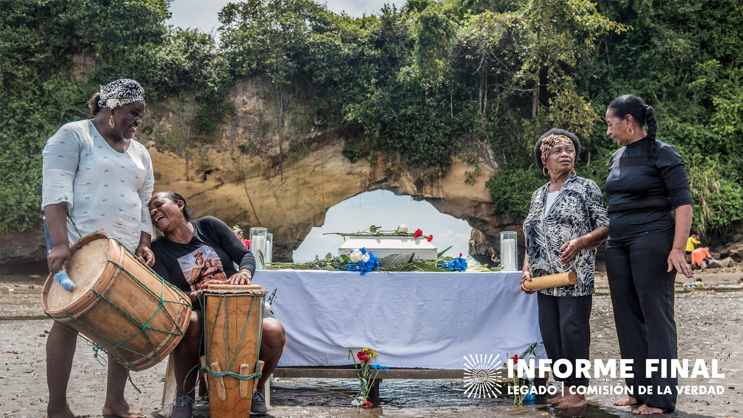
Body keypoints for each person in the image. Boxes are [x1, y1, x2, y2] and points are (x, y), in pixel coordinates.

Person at [42, 79, 153, 418]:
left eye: (141, 116)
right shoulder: (74, 135)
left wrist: (145, 243)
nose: (137, 121)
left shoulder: (140, 152)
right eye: (133, 113)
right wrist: (59, 244)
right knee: (68, 321)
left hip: (124, 252)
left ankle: (114, 403)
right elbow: (56, 190)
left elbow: (144, 202)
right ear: (113, 107)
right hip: (82, 245)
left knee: (122, 322)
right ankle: (57, 407)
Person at [148, 191, 286, 417]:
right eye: (150, 210)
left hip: (240, 307)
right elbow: (166, 294)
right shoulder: (158, 250)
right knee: (191, 321)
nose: (153, 212)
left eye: (158, 204)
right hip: (201, 316)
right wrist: (194, 295)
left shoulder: (209, 226)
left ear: (180, 204)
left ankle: (254, 390)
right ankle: (184, 397)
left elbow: (245, 256)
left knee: (274, 331)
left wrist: (243, 273)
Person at [604, 95, 693, 414]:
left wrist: (678, 248)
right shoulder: (616, 157)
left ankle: (661, 399)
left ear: (628, 120)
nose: (609, 131)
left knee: (655, 317)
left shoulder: (663, 153)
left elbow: (683, 202)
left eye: (611, 124)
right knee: (626, 317)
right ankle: (638, 390)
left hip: (652, 239)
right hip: (618, 243)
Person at [521, 129, 609, 409]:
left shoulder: (586, 187)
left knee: (573, 331)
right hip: (544, 278)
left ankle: (578, 392)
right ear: (544, 159)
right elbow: (532, 236)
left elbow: (606, 226)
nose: (565, 155)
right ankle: (564, 387)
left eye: (569, 150)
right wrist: (526, 269)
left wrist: (582, 242)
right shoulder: (537, 195)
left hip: (574, 276)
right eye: (558, 151)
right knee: (552, 334)